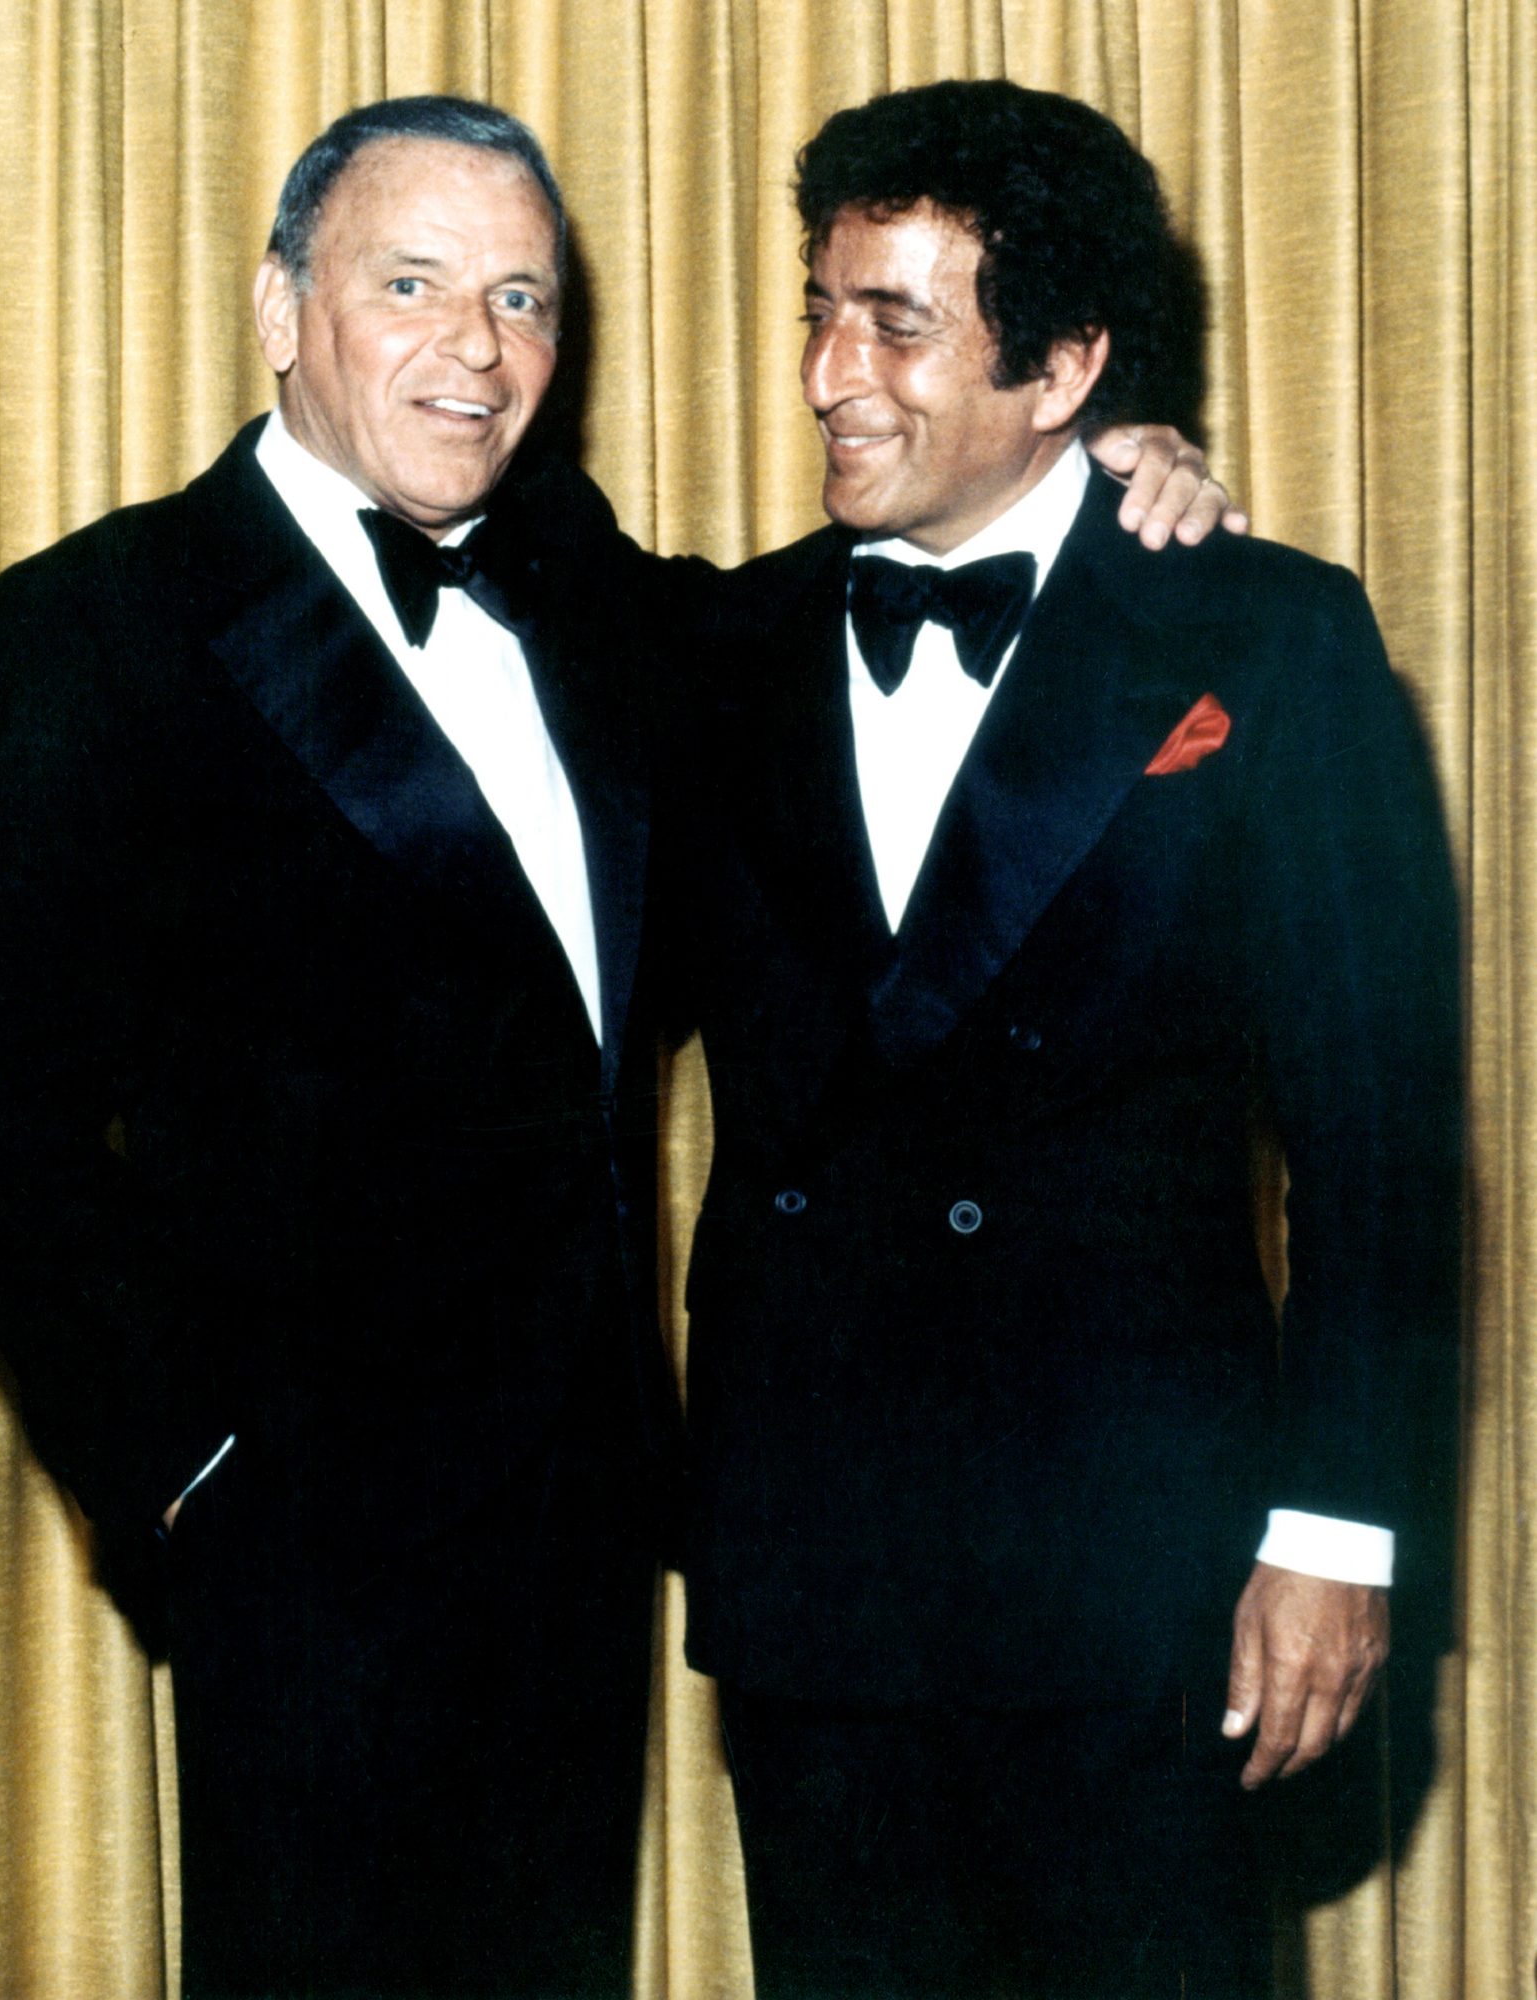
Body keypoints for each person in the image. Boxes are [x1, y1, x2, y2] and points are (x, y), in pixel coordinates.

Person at [0, 90, 1237, 1999]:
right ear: (281, 308)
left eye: (522, 298)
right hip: (304, 1547)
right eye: (413, 283)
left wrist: (1100, 470)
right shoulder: (97, 627)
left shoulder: (586, 588)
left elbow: (887, 618)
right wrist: (191, 1476)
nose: (477, 347)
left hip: (589, 1523)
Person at [673, 79, 1460, 1998]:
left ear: (1067, 365)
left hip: (1141, 1572)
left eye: (897, 325)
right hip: (817, 1577)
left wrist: (1339, 1532)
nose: (828, 377)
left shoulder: (1263, 639)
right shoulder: (713, 649)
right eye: (820, 311)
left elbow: (1380, 1140)